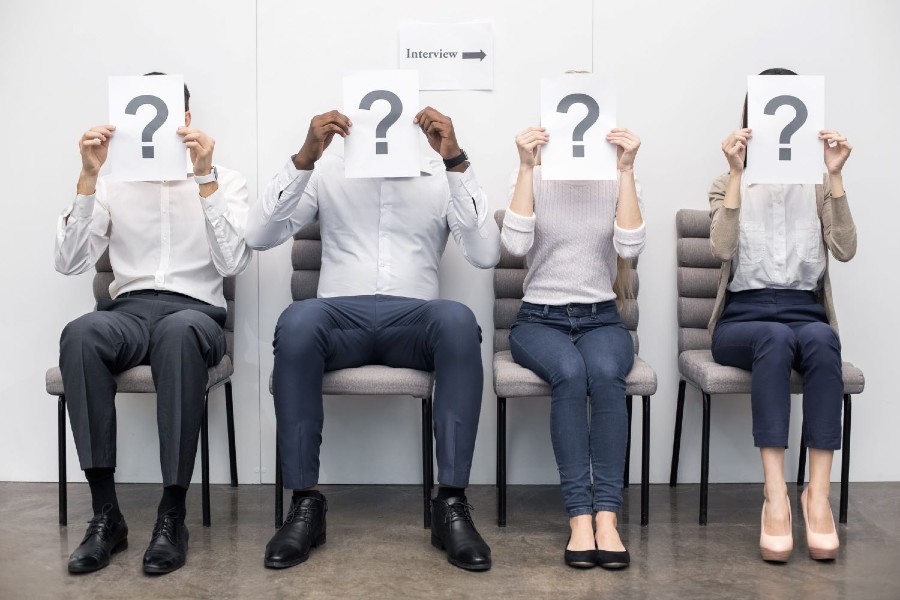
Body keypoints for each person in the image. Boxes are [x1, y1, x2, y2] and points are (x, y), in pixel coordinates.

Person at [246, 106, 500, 571]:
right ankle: (305, 503)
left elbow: (485, 253)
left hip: (414, 317)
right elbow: (258, 235)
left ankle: (451, 506)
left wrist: (455, 160)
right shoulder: (329, 172)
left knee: (459, 321)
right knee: (297, 321)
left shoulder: (439, 176)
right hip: (340, 317)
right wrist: (305, 157)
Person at [56, 74, 252, 575]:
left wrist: (204, 179)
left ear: (183, 120)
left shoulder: (225, 179)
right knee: (80, 333)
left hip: (196, 315)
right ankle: (106, 514)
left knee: (178, 331)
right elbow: (69, 261)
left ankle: (172, 514)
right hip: (128, 312)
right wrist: (87, 179)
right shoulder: (112, 183)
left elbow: (232, 264)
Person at [709, 68, 856, 562]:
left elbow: (846, 248)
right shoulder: (729, 183)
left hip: (805, 311)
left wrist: (834, 175)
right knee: (773, 336)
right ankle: (775, 495)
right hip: (743, 319)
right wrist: (734, 173)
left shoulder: (817, 184)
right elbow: (721, 247)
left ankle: (817, 496)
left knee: (821, 340)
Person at [500, 125, 645, 569]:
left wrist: (626, 171)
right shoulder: (535, 178)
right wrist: (526, 167)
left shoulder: (617, 181)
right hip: (538, 319)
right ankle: (579, 516)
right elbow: (515, 243)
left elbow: (631, 247)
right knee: (570, 373)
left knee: (604, 375)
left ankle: (607, 516)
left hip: (601, 316)